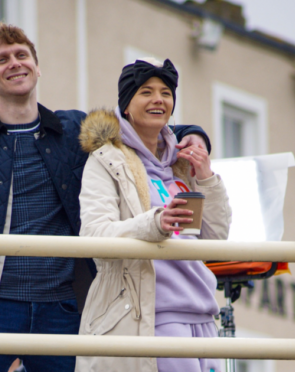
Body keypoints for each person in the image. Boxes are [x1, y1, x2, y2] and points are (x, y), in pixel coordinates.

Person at [0, 23, 212, 372]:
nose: (14, 63)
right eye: (1, 59)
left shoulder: (74, 130)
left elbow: (139, 123)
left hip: (61, 308)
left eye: (22, 55)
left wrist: (196, 135)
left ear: (37, 68)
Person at [75, 58, 232, 372]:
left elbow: (216, 238)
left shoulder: (182, 162)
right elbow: (94, 234)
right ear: (127, 106)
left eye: (166, 93)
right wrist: (155, 222)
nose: (158, 99)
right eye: (146, 92)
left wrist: (205, 177)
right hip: (152, 317)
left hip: (203, 316)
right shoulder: (106, 160)